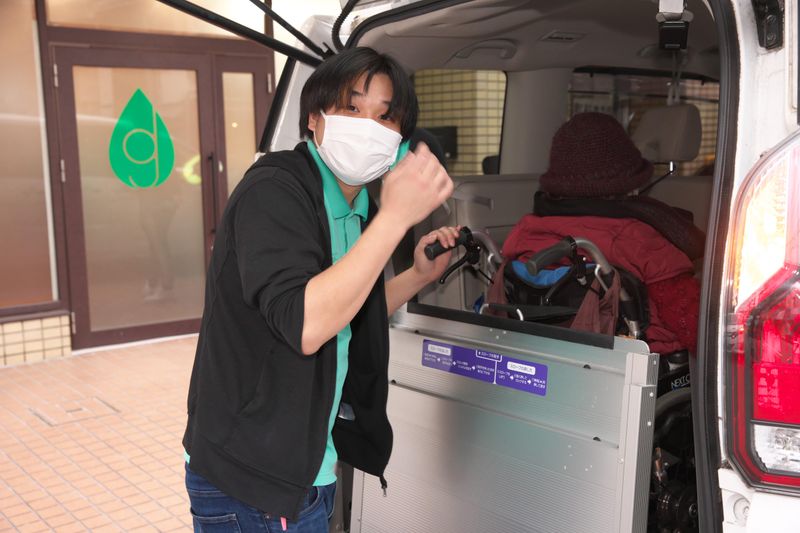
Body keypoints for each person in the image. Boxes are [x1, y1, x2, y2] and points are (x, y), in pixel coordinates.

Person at [181, 47, 457, 532]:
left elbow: (346, 309)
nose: (368, 127)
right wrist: (395, 219)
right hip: (253, 476)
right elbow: (306, 324)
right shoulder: (275, 191)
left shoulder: (359, 210)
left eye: (385, 117)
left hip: (308, 465)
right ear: (314, 118)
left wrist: (416, 276)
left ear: (399, 140)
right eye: (351, 107)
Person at [490, 112, 703, 354]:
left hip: (549, 350)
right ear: (629, 182)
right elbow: (694, 326)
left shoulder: (527, 230)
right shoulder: (638, 239)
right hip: (638, 362)